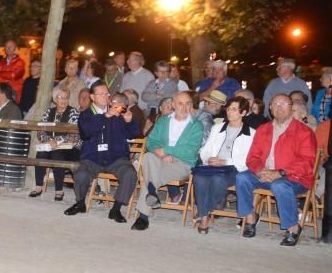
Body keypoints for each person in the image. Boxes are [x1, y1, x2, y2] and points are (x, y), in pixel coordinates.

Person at [237, 93, 318, 246]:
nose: (279, 107)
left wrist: (280, 172)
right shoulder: (263, 129)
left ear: (292, 108)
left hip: (295, 177)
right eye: (275, 104)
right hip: (266, 173)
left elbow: (307, 162)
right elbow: (252, 157)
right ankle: (250, 218)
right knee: (242, 178)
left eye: (283, 104)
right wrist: (260, 170)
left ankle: (293, 227)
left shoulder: (303, 132)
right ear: (270, 108)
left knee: (279, 185)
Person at [64, 82, 141, 223]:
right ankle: (80, 203)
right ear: (92, 97)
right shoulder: (85, 114)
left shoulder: (119, 109)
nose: (106, 96)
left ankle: (116, 209)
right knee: (80, 174)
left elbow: (135, 133)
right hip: (93, 158)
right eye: (101, 94)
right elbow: (86, 133)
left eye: (107, 93)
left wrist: (130, 121)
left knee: (130, 173)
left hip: (116, 157)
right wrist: (105, 116)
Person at [133, 91, 202, 230]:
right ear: (173, 105)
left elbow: (190, 151)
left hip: (183, 164)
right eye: (180, 103)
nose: (184, 107)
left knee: (150, 176)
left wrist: (167, 150)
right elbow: (151, 142)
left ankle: (143, 216)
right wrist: (162, 154)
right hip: (160, 159)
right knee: (148, 156)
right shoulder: (163, 120)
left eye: (188, 103)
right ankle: (151, 193)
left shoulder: (196, 125)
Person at [192, 96, 254, 234]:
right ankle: (205, 215)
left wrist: (225, 161)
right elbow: (205, 149)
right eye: (228, 109)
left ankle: (204, 215)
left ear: (243, 113)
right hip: (213, 165)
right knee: (199, 178)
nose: (229, 112)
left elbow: (246, 159)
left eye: (234, 109)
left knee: (217, 180)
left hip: (233, 168)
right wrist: (209, 158)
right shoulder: (217, 128)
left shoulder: (251, 133)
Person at [28, 89, 80, 201]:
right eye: (61, 97)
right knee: (41, 153)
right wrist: (49, 140)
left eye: (66, 97)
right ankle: (38, 186)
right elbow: (40, 131)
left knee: (57, 154)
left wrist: (57, 141)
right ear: (55, 99)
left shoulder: (73, 112)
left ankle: (59, 190)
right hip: (51, 145)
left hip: (70, 147)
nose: (64, 100)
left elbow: (74, 134)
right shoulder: (49, 112)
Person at [0, 39, 25, 103]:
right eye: (6, 46)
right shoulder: (1, 62)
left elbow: (14, 75)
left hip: (14, 93)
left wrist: (0, 74)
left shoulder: (20, 62)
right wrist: (8, 78)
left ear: (15, 48)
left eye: (11, 46)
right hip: (1, 91)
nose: (8, 48)